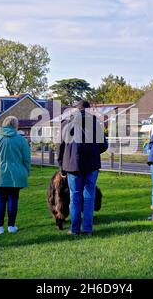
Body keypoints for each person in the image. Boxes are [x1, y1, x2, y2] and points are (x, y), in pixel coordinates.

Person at [57, 100, 108, 236]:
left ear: (75, 110)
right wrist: (94, 152)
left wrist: (61, 165)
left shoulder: (66, 123)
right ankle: (87, 229)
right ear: (88, 109)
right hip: (91, 165)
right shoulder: (95, 124)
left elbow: (60, 147)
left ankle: (74, 229)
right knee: (89, 197)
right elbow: (104, 146)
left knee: (75, 197)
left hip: (73, 165)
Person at [0, 116, 31, 235]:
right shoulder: (21, 139)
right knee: (13, 198)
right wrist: (27, 170)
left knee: (0, 199)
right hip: (16, 173)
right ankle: (11, 226)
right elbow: (27, 157)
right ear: (15, 125)